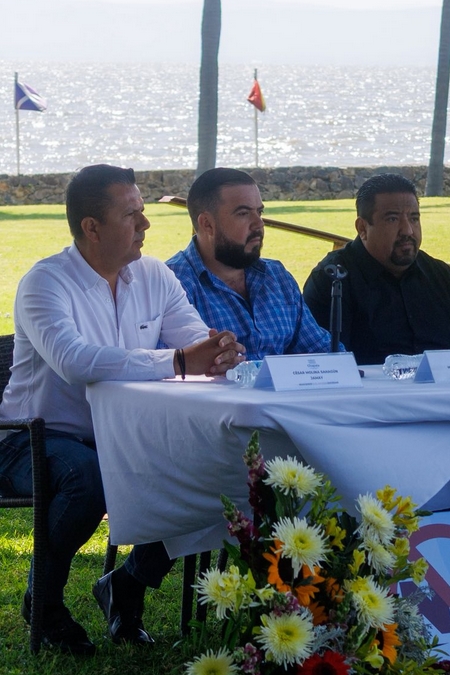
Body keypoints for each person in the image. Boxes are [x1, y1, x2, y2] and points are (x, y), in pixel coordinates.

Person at [0, 165, 244, 653]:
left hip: (125, 432)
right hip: (33, 437)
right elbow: (75, 361)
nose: (146, 224)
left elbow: (195, 340)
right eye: (132, 215)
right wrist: (178, 361)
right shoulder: (45, 283)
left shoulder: (155, 275)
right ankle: (44, 604)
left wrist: (219, 352)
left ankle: (128, 583)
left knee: (210, 465)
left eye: (143, 212)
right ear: (92, 228)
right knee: (85, 476)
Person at [303, 173, 450, 365]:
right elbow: (326, 366)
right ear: (362, 228)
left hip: (444, 383)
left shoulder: (440, 275)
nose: (408, 230)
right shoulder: (333, 280)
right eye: (392, 219)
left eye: (414, 219)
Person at [167, 167, 333, 360]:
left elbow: (321, 351)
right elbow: (163, 366)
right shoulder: (171, 284)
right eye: (243, 213)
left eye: (259, 212)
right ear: (207, 224)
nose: (258, 223)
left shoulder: (276, 276)